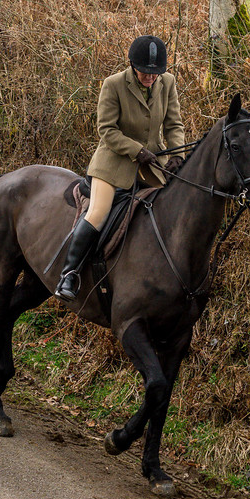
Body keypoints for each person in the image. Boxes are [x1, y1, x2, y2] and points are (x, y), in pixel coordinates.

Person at [55, 35, 186, 301]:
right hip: (114, 161)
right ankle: (69, 274)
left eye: (155, 73)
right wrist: (136, 150)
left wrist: (178, 154)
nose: (151, 77)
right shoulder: (113, 84)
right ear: (132, 65)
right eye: (145, 73)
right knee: (99, 212)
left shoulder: (168, 83)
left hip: (153, 163)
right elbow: (107, 130)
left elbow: (174, 124)